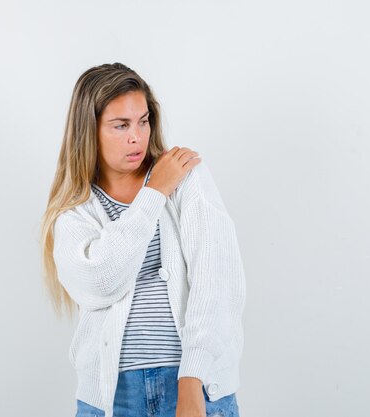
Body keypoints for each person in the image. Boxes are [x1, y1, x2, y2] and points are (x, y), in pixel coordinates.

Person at [40, 63, 246, 417]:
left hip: (193, 386)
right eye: (120, 125)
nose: (137, 136)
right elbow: (101, 282)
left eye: (143, 120)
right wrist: (154, 193)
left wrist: (192, 382)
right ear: (90, 132)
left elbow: (217, 283)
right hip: (111, 397)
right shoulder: (75, 210)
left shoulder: (186, 176)